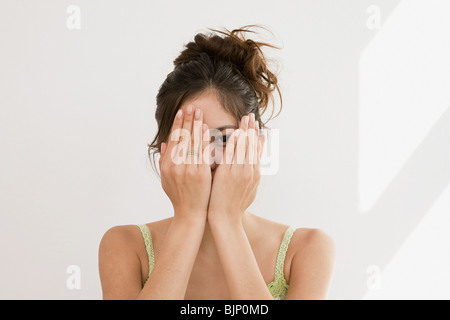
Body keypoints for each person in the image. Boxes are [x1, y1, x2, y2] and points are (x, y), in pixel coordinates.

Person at [98, 25, 335, 300]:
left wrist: (226, 221)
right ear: (164, 153)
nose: (207, 158)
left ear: (255, 147)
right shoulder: (125, 246)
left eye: (224, 139)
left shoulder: (307, 250)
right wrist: (189, 219)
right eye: (190, 140)